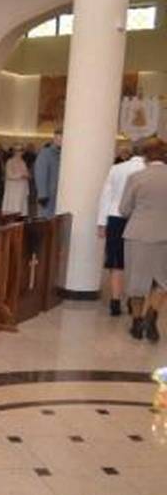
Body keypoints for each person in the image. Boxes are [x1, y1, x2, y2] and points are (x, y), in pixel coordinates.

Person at [119, 138, 167, 342]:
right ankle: (152, 316)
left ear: (145, 156)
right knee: (162, 281)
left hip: (138, 234)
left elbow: (124, 209)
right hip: (164, 235)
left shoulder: (136, 177)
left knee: (136, 281)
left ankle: (137, 324)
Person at [97, 142, 146, 316]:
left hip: (115, 217)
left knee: (116, 261)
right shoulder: (149, 171)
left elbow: (106, 196)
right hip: (140, 219)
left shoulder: (117, 169)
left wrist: (101, 223)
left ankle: (115, 301)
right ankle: (133, 301)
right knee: (137, 262)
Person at [34, 128, 62, 218]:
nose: (60, 141)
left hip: (58, 194)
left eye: (61, 139)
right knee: (45, 220)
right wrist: (42, 194)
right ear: (54, 138)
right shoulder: (45, 153)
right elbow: (40, 173)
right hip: (48, 195)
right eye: (58, 138)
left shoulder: (62, 154)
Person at [1, 144, 30, 216]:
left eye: (21, 150)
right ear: (14, 152)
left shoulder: (23, 162)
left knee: (21, 208)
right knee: (13, 208)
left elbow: (27, 173)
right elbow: (9, 175)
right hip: (13, 189)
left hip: (22, 188)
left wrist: (27, 175)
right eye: (17, 151)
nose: (19, 153)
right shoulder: (10, 162)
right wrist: (21, 175)